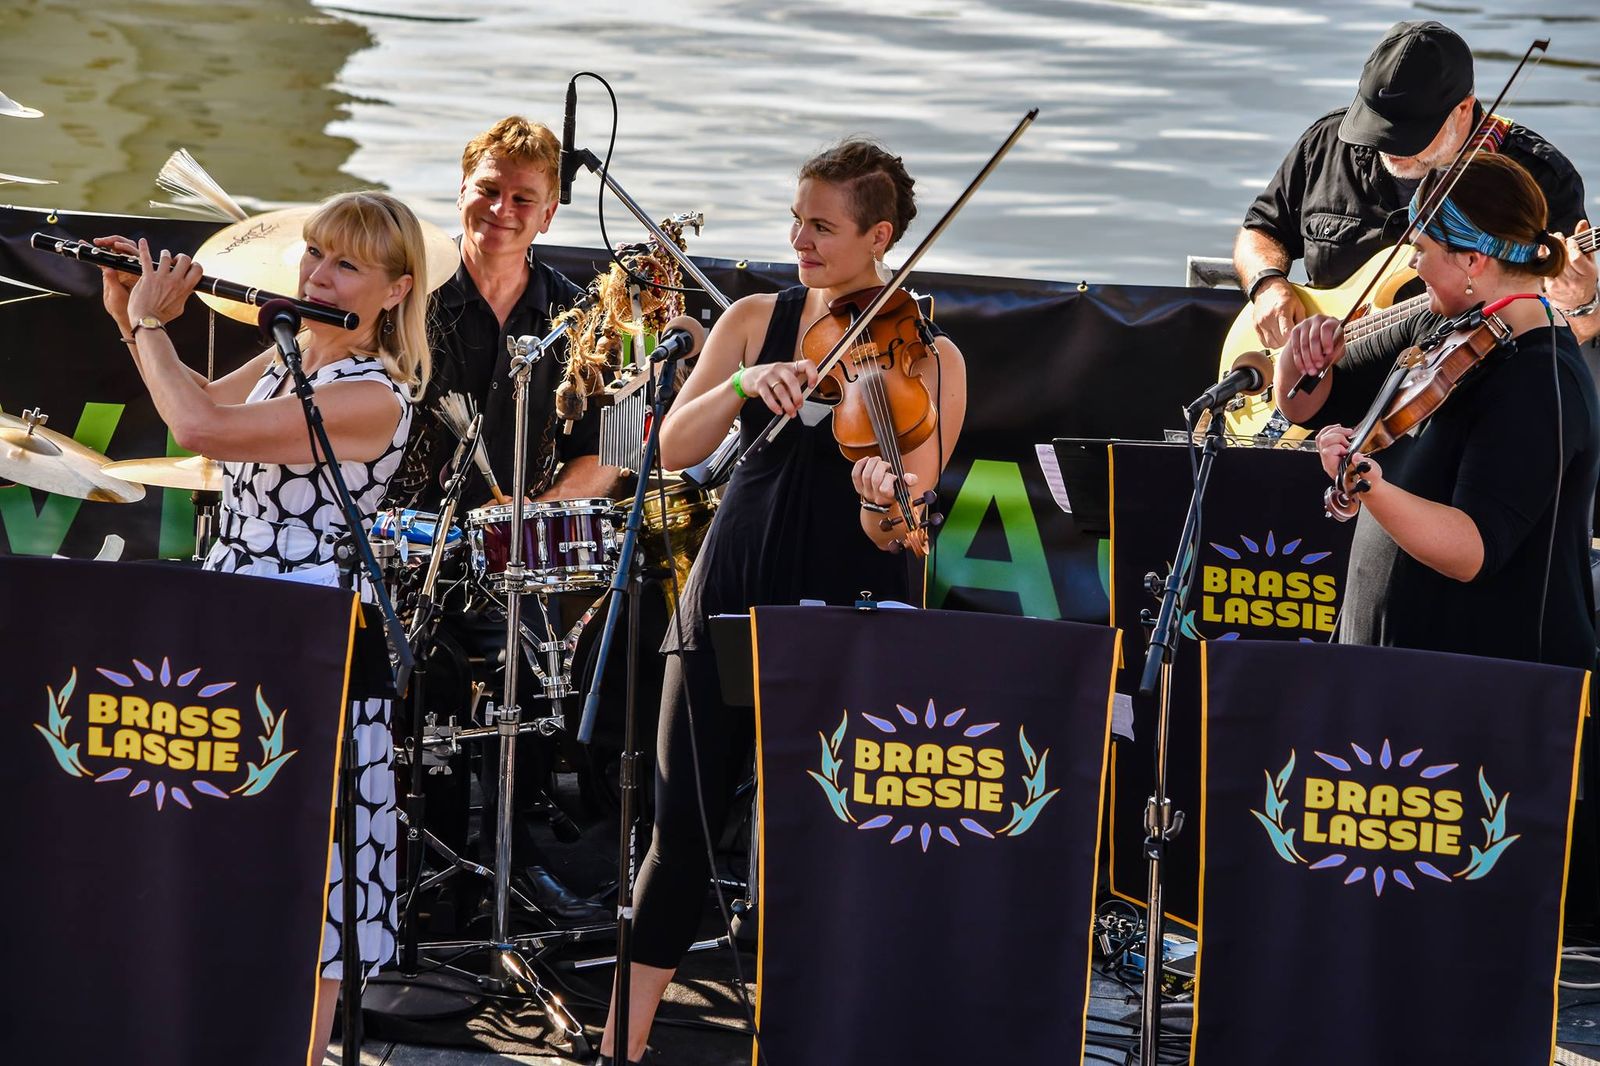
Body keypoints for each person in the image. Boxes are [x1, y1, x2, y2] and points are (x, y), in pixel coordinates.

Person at [596, 140, 969, 1065]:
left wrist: (882, 496)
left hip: (852, 613)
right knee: (679, 836)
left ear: (880, 236)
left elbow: (902, 522)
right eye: (797, 220)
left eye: (822, 227)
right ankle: (618, 1048)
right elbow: (669, 447)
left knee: (834, 844)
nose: (799, 240)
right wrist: (738, 383)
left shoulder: (930, 357)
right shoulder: (756, 318)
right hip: (734, 589)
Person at [94, 190, 432, 1062]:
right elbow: (206, 408)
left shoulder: (374, 395)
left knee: (314, 862)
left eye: (347, 264)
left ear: (396, 290)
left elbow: (200, 426)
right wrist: (128, 316)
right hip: (237, 618)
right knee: (232, 842)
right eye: (315, 253)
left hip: (307, 635)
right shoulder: (293, 354)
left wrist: (153, 323)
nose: (318, 274)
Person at [385, 114, 615, 924]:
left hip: (520, 554)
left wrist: (529, 513)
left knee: (536, 678)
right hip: (409, 546)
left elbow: (608, 452)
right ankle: (425, 872)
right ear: (461, 191)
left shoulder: (578, 315)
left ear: (549, 213)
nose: (502, 210)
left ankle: (513, 865)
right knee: (432, 682)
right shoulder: (409, 296)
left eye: (524, 198)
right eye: (488, 190)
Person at [1277, 152, 1599, 670]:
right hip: (1395, 667)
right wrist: (1297, 355)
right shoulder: (1441, 325)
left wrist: (1369, 486)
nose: (1413, 265)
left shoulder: (1540, 378)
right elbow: (1306, 401)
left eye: (1422, 249)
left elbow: (1473, 547)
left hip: (1475, 683)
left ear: (1472, 260)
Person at [1235, 19, 1598, 350]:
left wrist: (1581, 304)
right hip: (1318, 376)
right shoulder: (1326, 143)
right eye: (1376, 124)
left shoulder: (1540, 178)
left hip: (1454, 386)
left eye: (1407, 133)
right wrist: (1266, 284)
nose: (1387, 146)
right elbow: (1261, 229)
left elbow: (1569, 338)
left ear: (1462, 109)